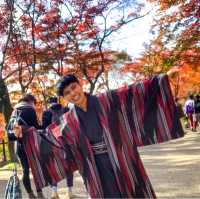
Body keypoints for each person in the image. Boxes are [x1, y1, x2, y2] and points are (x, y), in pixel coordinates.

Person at [14, 73, 184, 198]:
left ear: (80, 85)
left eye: (74, 87)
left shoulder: (108, 100)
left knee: (133, 189)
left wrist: (162, 80)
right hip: (94, 165)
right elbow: (50, 138)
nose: (73, 93)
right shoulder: (68, 120)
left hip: (121, 155)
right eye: (67, 93)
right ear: (64, 98)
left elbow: (134, 94)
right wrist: (26, 135)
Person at [7, 94, 45, 198]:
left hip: (18, 145)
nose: (34, 104)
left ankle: (30, 194)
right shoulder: (30, 110)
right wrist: (40, 120)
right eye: (34, 102)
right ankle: (40, 194)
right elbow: (37, 128)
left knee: (25, 170)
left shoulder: (14, 111)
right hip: (30, 145)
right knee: (35, 169)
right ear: (31, 101)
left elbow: (9, 132)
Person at [42, 97, 74, 199]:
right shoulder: (65, 109)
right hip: (66, 141)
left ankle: (54, 192)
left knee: (53, 166)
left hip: (52, 142)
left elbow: (44, 129)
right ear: (57, 101)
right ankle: (70, 192)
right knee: (69, 166)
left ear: (49, 103)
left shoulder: (46, 113)